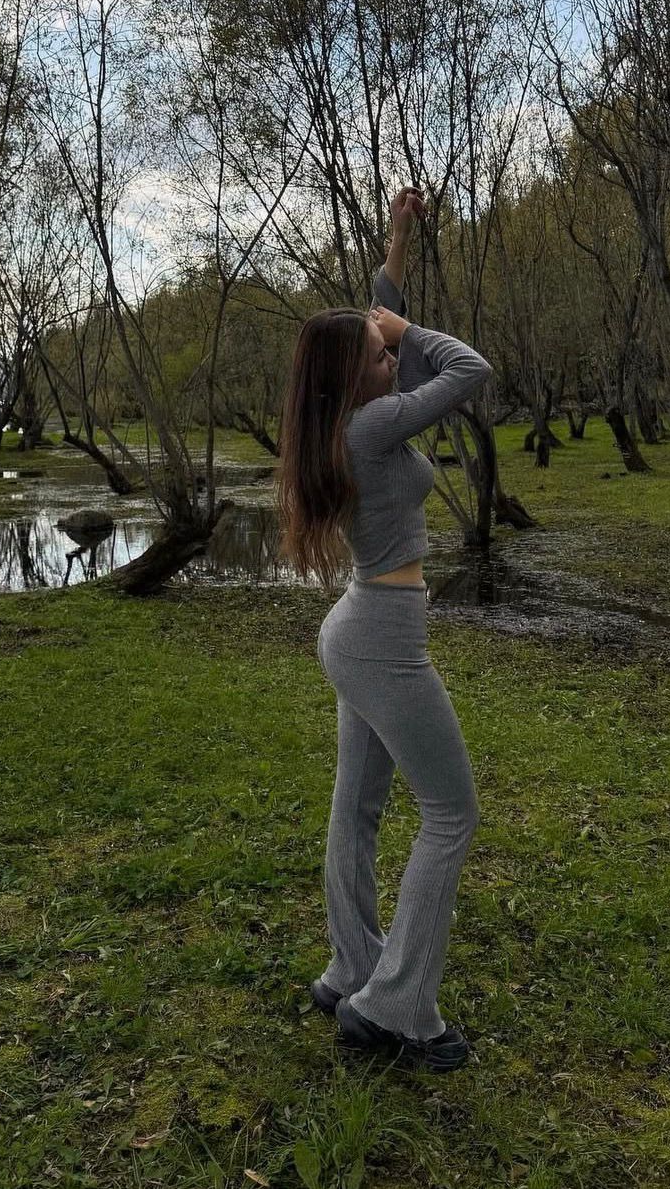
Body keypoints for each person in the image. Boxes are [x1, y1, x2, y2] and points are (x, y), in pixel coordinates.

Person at [275, 184, 493, 1073]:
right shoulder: (372, 425)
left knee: (357, 806)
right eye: (379, 353)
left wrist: (397, 245)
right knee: (452, 811)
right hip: (383, 638)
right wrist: (409, 332)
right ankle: (397, 1007)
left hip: (360, 625)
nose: (391, 352)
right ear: (358, 376)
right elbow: (471, 370)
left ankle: (352, 967)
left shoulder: (347, 416)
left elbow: (376, 318)